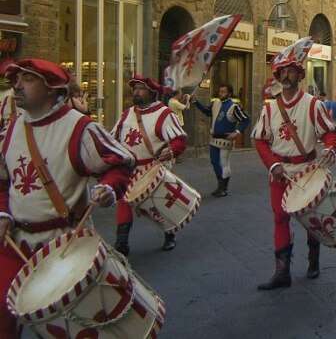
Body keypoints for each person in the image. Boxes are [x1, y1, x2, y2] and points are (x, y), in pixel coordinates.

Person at [0, 59, 134, 338]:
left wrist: (109, 189)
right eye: (17, 79)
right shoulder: (11, 129)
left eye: (28, 79)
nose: (17, 85)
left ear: (51, 88)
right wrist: (2, 212)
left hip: (64, 243)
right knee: (3, 311)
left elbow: (120, 163)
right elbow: (2, 181)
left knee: (68, 323)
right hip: (15, 241)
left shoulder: (79, 128)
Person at [252, 41, 336, 290]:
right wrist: (272, 164)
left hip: (308, 170)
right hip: (280, 173)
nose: (287, 75)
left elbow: (330, 133)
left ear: (300, 75)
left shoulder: (313, 104)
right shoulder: (269, 109)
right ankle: (282, 272)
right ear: (278, 76)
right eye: (283, 72)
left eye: (292, 71)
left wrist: (331, 149)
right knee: (280, 218)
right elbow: (259, 140)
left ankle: (313, 259)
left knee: (311, 218)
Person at [112, 75, 187, 254]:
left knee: (158, 205)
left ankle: (170, 234)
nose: (136, 92)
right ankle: (122, 243)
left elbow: (179, 140)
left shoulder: (164, 113)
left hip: (153, 169)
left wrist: (171, 151)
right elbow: (114, 137)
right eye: (134, 89)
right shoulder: (127, 113)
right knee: (123, 202)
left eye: (140, 89)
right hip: (129, 169)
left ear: (152, 92)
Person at [193, 84, 250, 197]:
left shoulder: (234, 107)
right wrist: (195, 102)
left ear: (229, 93)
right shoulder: (215, 103)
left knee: (224, 163)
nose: (221, 94)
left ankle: (224, 188)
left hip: (225, 139)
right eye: (220, 91)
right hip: (214, 138)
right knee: (214, 162)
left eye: (223, 92)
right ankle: (220, 185)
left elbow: (245, 120)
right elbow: (207, 112)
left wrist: (237, 132)